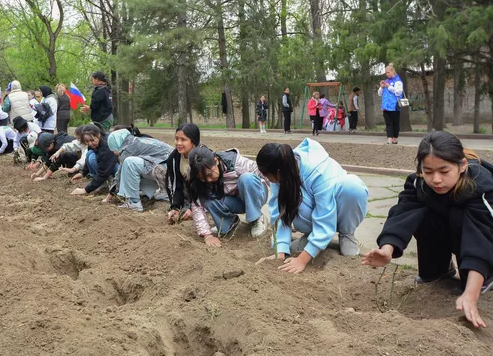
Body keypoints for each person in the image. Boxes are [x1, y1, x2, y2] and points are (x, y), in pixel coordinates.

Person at [362, 132, 493, 328]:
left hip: (486, 238)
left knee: (459, 217)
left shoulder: (481, 186)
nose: (436, 179)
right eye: (428, 171)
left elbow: (481, 236)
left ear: (462, 165)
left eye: (444, 171)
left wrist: (470, 294)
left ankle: (485, 276)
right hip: (455, 232)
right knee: (423, 211)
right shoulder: (419, 183)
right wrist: (387, 249)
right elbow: (403, 212)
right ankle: (437, 269)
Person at [255, 140, 368, 273]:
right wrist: (281, 250)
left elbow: (325, 218)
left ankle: (346, 234)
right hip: (316, 212)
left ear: (278, 171)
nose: (267, 179)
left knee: (352, 187)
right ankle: (312, 236)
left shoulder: (318, 171)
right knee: (293, 198)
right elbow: (280, 214)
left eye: (267, 175)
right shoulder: (282, 170)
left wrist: (302, 260)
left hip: (338, 207)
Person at [188, 146, 269, 247]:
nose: (208, 180)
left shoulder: (235, 162)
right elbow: (197, 206)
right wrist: (207, 235)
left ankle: (256, 218)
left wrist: (281, 197)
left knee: (247, 178)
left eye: (209, 174)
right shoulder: (195, 176)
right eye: (203, 178)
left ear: (216, 161)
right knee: (206, 199)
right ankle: (229, 223)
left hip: (256, 194)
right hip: (234, 201)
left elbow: (264, 173)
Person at [107, 129, 173, 212]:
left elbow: (119, 176)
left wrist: (108, 197)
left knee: (130, 163)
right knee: (139, 167)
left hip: (166, 171)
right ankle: (162, 192)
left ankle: (134, 203)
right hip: (172, 169)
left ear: (116, 144)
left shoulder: (127, 149)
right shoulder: (138, 141)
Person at [166, 124, 202, 224]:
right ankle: (184, 205)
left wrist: (193, 208)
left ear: (193, 141)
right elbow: (175, 184)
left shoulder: (202, 157)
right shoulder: (174, 157)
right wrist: (175, 207)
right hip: (187, 189)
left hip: (204, 193)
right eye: (176, 139)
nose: (178, 143)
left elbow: (206, 187)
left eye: (183, 139)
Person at [70, 124, 119, 196]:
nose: (90, 143)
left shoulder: (107, 145)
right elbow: (88, 157)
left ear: (98, 135)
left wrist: (85, 190)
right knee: (90, 154)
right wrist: (83, 173)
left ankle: (114, 183)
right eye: (87, 141)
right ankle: (103, 183)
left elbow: (103, 173)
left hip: (121, 167)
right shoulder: (96, 143)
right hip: (109, 164)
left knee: (92, 158)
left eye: (92, 140)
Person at [378, 63, 403, 144]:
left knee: (395, 123)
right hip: (386, 106)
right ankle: (389, 138)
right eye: (386, 73)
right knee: (388, 123)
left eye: (388, 72)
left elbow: (398, 92)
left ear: (393, 72)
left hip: (394, 106)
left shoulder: (398, 81)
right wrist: (381, 87)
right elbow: (379, 94)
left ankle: (395, 138)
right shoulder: (386, 81)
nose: (387, 74)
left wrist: (389, 86)